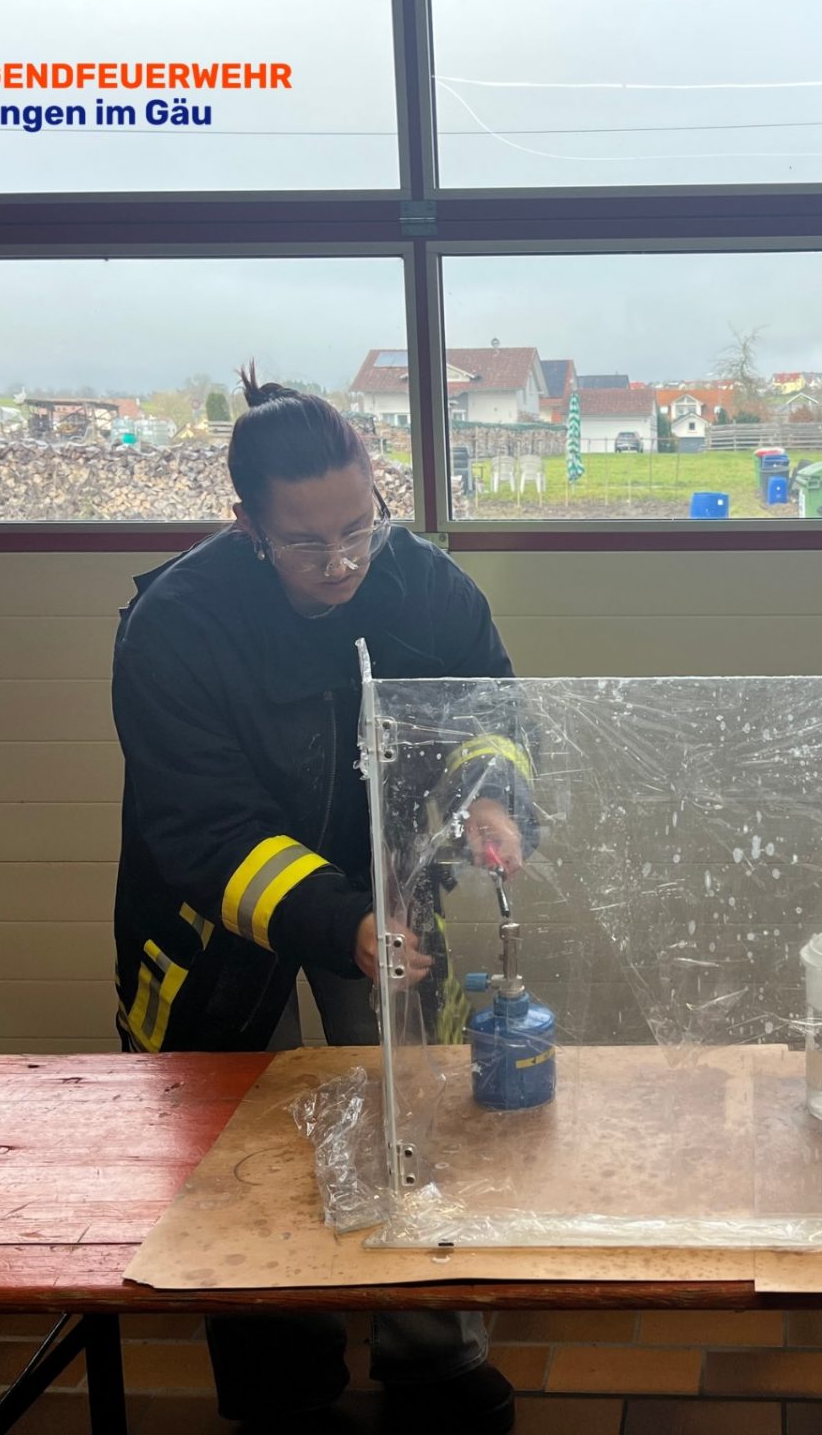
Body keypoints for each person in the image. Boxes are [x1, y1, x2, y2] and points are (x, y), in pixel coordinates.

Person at [111, 368, 529, 1433]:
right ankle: (281, 1385)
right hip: (220, 911)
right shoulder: (175, 624)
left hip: (387, 889)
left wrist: (492, 795)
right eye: (307, 544)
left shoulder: (426, 587)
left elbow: (491, 711)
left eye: (359, 528)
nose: (342, 563)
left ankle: (432, 1359)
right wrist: (339, 920)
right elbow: (207, 830)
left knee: (414, 1106)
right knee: (239, 1143)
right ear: (245, 525)